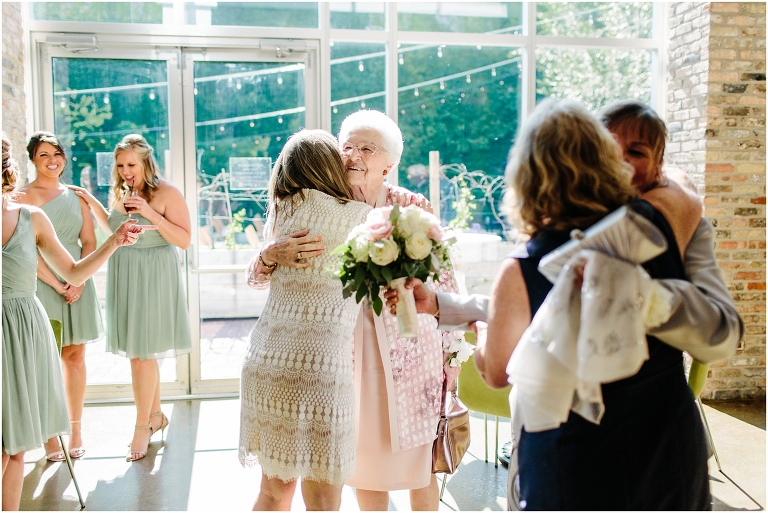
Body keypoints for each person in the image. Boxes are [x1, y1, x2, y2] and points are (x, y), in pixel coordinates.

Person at [247, 110, 459, 511]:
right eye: (346, 146)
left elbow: (443, 282)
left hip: (408, 350)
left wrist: (452, 353)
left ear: (388, 165)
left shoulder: (410, 206)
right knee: (360, 463)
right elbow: (257, 278)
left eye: (367, 148)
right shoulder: (315, 203)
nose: (353, 155)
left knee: (418, 463)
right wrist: (268, 254)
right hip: (341, 354)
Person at [2, 133, 148, 510]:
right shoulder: (28, 208)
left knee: (14, 447)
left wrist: (115, 240)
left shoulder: (31, 217)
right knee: (8, 448)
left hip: (24, 329)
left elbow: (75, 270)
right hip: (20, 319)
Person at [239, 129, 371, 511]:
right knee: (324, 499)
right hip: (322, 370)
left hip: (268, 362)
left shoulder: (284, 210)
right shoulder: (362, 218)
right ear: (329, 167)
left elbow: (254, 280)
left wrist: (267, 254)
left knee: (273, 492)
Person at [69, 134, 192, 462]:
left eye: (131, 165)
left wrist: (151, 212)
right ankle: (155, 416)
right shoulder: (122, 193)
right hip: (126, 274)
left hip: (153, 276)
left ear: (146, 163)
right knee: (141, 353)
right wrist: (91, 201)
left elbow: (184, 240)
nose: (125, 171)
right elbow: (112, 227)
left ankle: (141, 427)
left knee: (141, 356)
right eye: (120, 165)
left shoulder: (167, 193)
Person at [16, 132, 103, 462]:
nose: (51, 160)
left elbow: (89, 241)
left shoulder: (76, 196)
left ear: (64, 158)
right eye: (43, 155)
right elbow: (24, 249)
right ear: (32, 160)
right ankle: (50, 435)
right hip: (43, 284)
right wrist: (57, 282)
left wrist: (79, 280)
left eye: (56, 154)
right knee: (45, 360)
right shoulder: (22, 197)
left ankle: (76, 429)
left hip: (78, 282)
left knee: (75, 357)